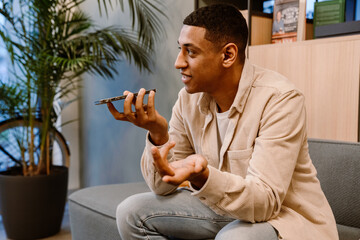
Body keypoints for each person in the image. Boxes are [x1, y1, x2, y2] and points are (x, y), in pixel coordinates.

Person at [107, 4, 338, 240]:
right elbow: (161, 187)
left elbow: (265, 203)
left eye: (191, 52)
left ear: (228, 55)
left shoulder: (280, 99)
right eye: (180, 50)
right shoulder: (188, 99)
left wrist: (203, 177)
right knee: (131, 213)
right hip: (225, 210)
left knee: (234, 237)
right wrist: (158, 134)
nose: (178, 62)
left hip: (284, 219)